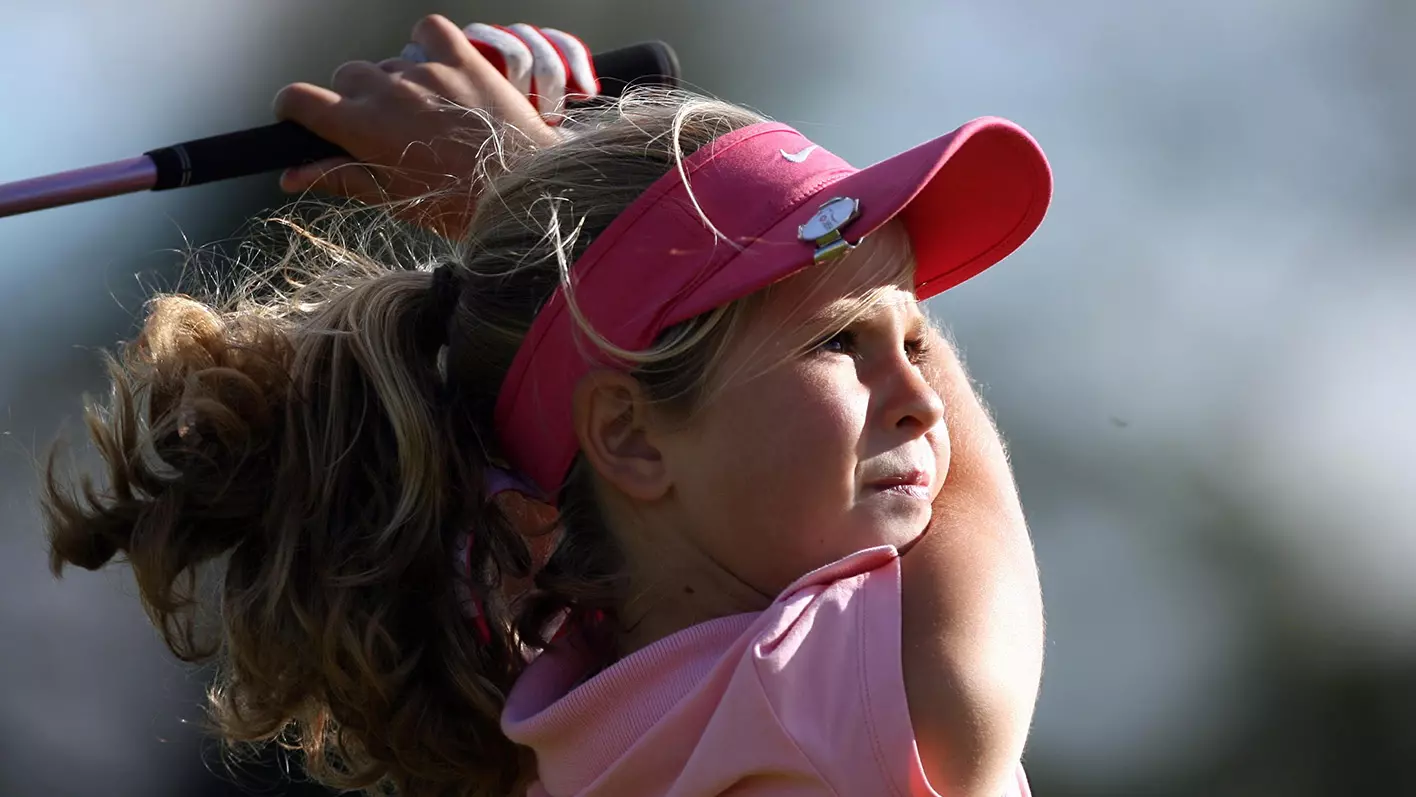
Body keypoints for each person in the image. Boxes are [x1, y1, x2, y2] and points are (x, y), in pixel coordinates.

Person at [40, 14, 1050, 797]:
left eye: (917, 341)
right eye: (841, 342)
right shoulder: (845, 690)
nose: (922, 397)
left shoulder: (555, 724)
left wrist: (549, 209)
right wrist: (524, 187)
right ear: (626, 433)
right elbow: (984, 514)